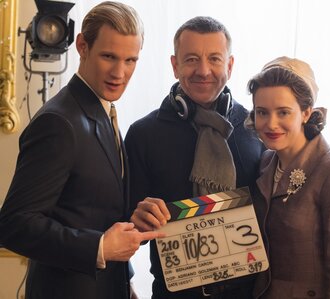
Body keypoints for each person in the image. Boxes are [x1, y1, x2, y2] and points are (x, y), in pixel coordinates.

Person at [0, 2, 164, 299]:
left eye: (131, 60)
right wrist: (99, 247)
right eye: (108, 57)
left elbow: (89, 209)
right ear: (82, 46)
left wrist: (133, 221)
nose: (120, 72)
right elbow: (14, 224)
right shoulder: (58, 122)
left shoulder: (102, 109)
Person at [124, 16, 265, 299]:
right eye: (191, 59)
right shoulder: (143, 134)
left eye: (214, 59)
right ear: (175, 65)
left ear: (230, 65)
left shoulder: (257, 128)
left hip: (249, 293)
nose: (203, 70)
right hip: (173, 292)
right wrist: (136, 218)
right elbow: (123, 224)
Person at [245, 56, 330, 298]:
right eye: (262, 112)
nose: (271, 124)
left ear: (306, 112)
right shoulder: (265, 162)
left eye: (284, 112)